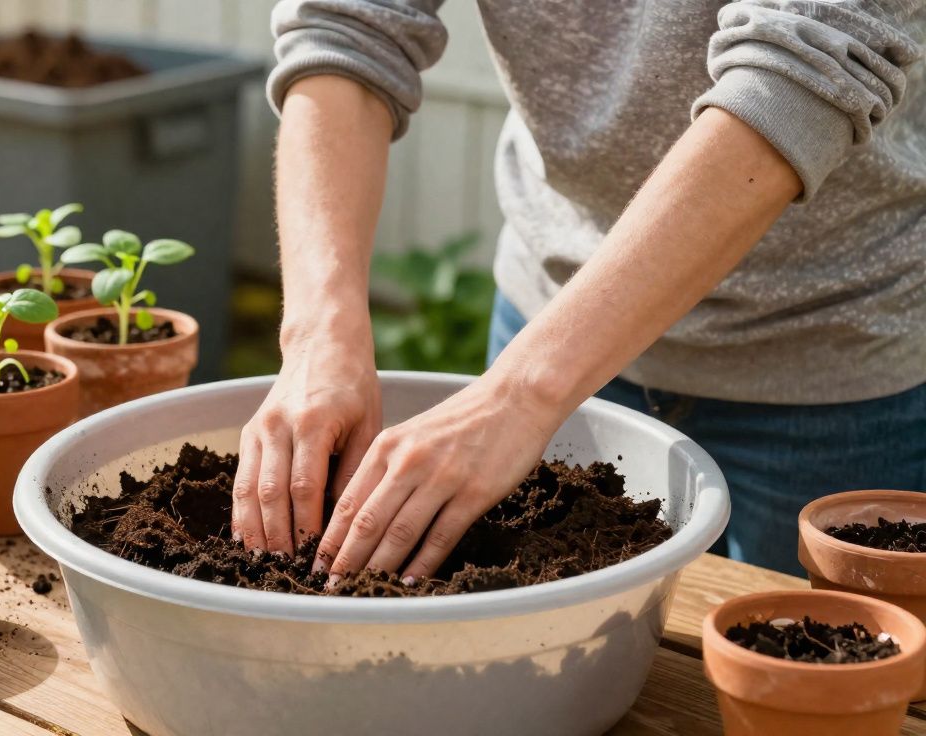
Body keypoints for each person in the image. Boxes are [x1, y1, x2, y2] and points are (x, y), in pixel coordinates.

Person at [232, 0, 926, 580]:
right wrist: (317, 336)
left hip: (830, 360)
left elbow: (805, 70)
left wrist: (519, 397)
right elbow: (347, 25)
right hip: (551, 317)